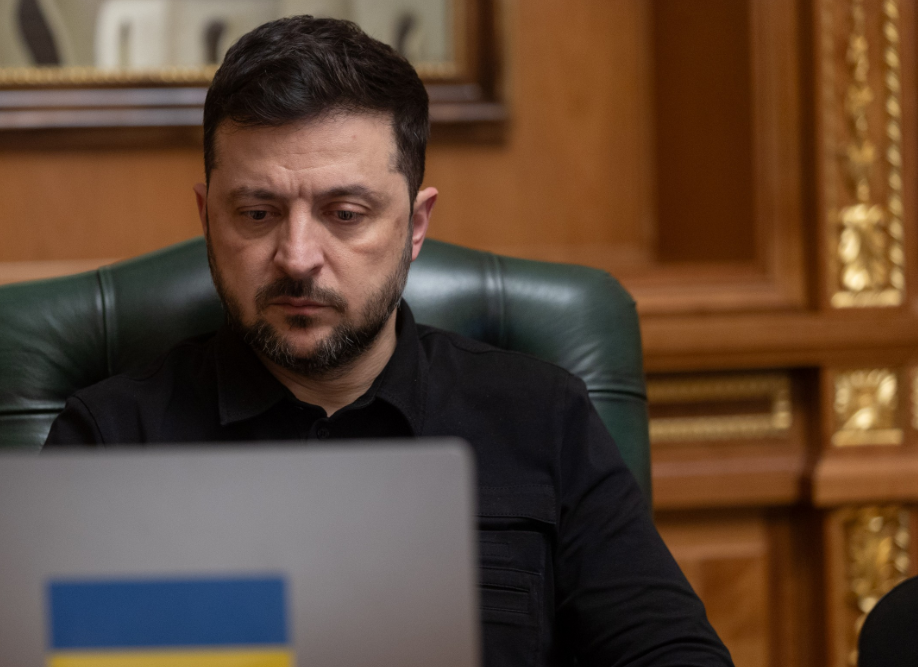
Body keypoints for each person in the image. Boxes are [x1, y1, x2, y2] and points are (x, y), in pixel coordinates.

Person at [44, 15, 733, 666]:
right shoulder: (110, 438)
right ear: (207, 218)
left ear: (415, 225)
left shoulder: (541, 415)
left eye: (345, 214)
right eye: (257, 213)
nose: (297, 256)